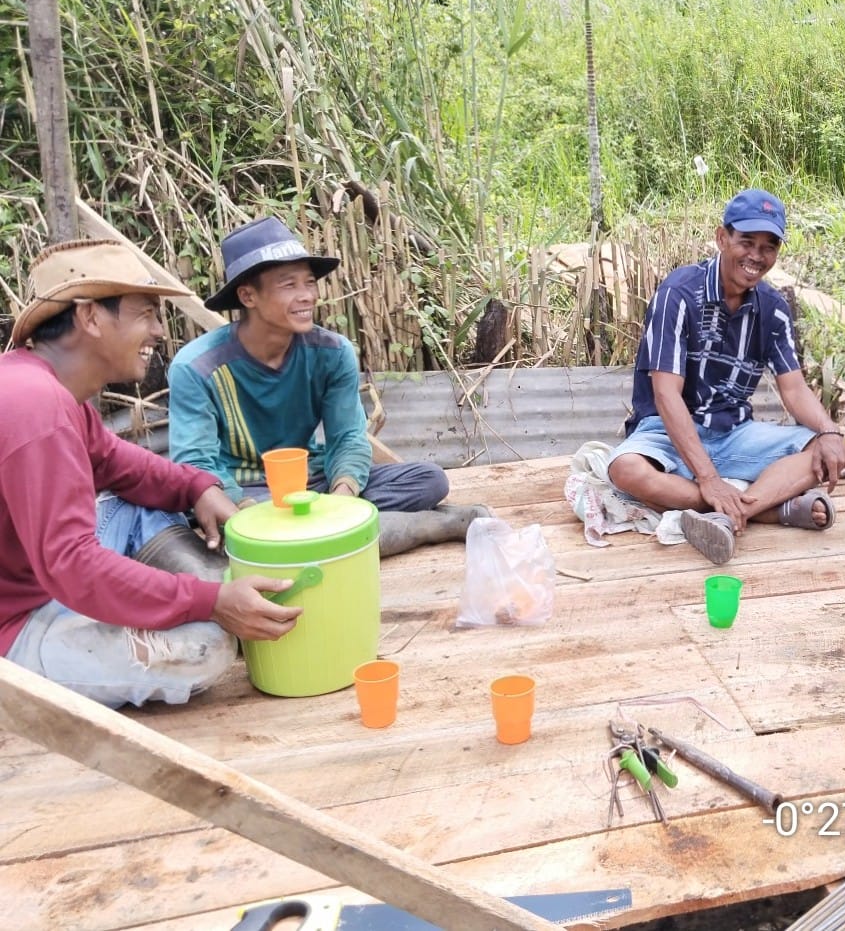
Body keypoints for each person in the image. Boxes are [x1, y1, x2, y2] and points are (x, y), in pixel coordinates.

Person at [1, 240, 300, 707]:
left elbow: (117, 464)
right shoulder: (36, 405)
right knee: (205, 647)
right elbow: (72, 564)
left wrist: (197, 487)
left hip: (42, 575)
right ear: (90, 317)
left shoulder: (48, 390)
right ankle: (221, 600)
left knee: (141, 501)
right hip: (13, 626)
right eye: (145, 313)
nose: (159, 331)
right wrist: (208, 602)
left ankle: (215, 596)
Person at [168, 217, 484, 555]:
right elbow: (196, 463)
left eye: (309, 283)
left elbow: (347, 437)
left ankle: (311, 536)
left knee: (429, 480)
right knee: (214, 514)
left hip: (312, 486)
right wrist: (245, 514)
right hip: (246, 493)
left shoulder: (332, 353)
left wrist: (341, 499)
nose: (307, 296)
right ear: (248, 295)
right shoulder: (197, 367)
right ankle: (413, 528)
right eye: (289, 285)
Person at [606, 189, 845, 565]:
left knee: (820, 452)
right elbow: (666, 395)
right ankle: (766, 508)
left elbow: (795, 389)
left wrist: (830, 433)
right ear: (722, 238)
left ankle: (733, 511)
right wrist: (709, 479)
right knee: (625, 469)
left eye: (768, 247)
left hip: (734, 433)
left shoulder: (773, 309)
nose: (756, 256)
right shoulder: (678, 294)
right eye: (746, 242)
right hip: (668, 432)